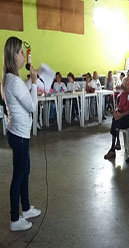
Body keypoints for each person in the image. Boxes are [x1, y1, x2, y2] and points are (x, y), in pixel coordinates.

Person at [1, 37, 41, 231]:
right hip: (19, 134)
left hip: (17, 132)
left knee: (25, 171)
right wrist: (33, 83)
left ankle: (25, 208)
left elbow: (22, 92)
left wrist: (30, 81)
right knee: (19, 174)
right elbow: (32, 106)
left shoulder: (11, 78)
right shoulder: (14, 81)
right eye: (20, 52)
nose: (23, 55)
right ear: (13, 55)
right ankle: (15, 219)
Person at [104, 74, 129, 159]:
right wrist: (116, 112)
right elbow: (120, 107)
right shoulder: (123, 94)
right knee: (115, 118)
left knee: (117, 120)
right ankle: (115, 145)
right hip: (122, 117)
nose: (126, 82)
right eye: (126, 80)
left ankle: (115, 146)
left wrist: (120, 115)